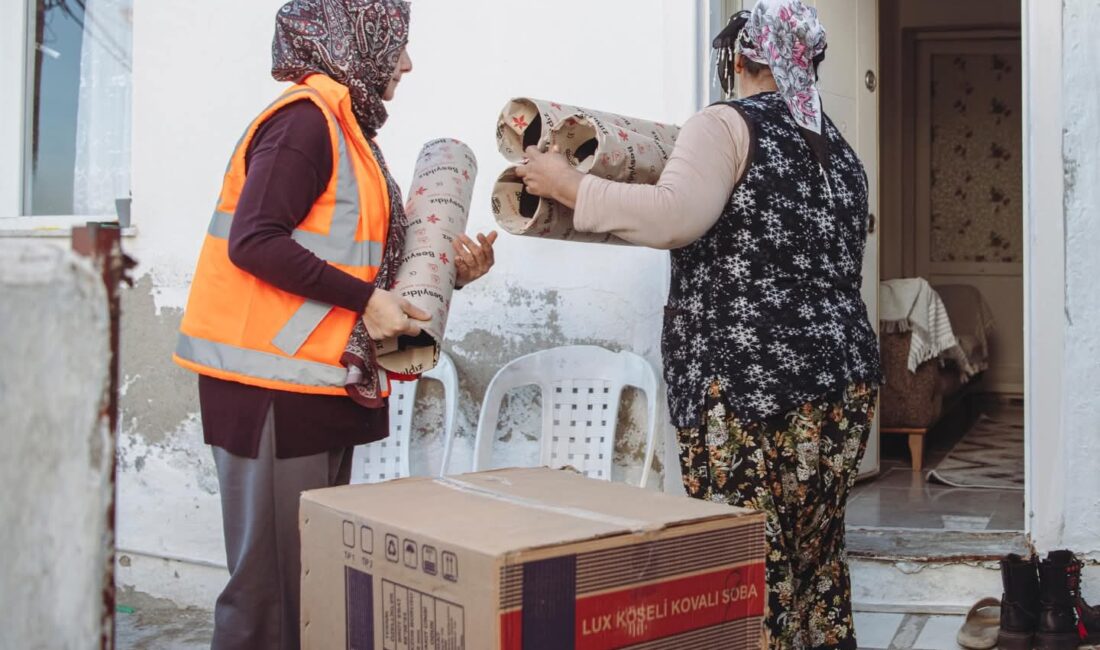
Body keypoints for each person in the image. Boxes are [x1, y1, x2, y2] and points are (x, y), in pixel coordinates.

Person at [517, 1, 882, 648]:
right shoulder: (836, 148)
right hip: (843, 383)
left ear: (742, 58)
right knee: (815, 566)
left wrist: (568, 185)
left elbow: (675, 215)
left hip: (753, 389)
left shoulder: (726, 123)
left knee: (748, 568)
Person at [172, 1, 496, 648]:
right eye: (395, 42)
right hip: (269, 391)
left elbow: (360, 265)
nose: (405, 62)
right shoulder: (305, 124)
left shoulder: (350, 135)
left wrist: (450, 274)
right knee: (268, 600)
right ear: (357, 40)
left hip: (313, 387)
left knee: (309, 587)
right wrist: (363, 302)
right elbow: (254, 241)